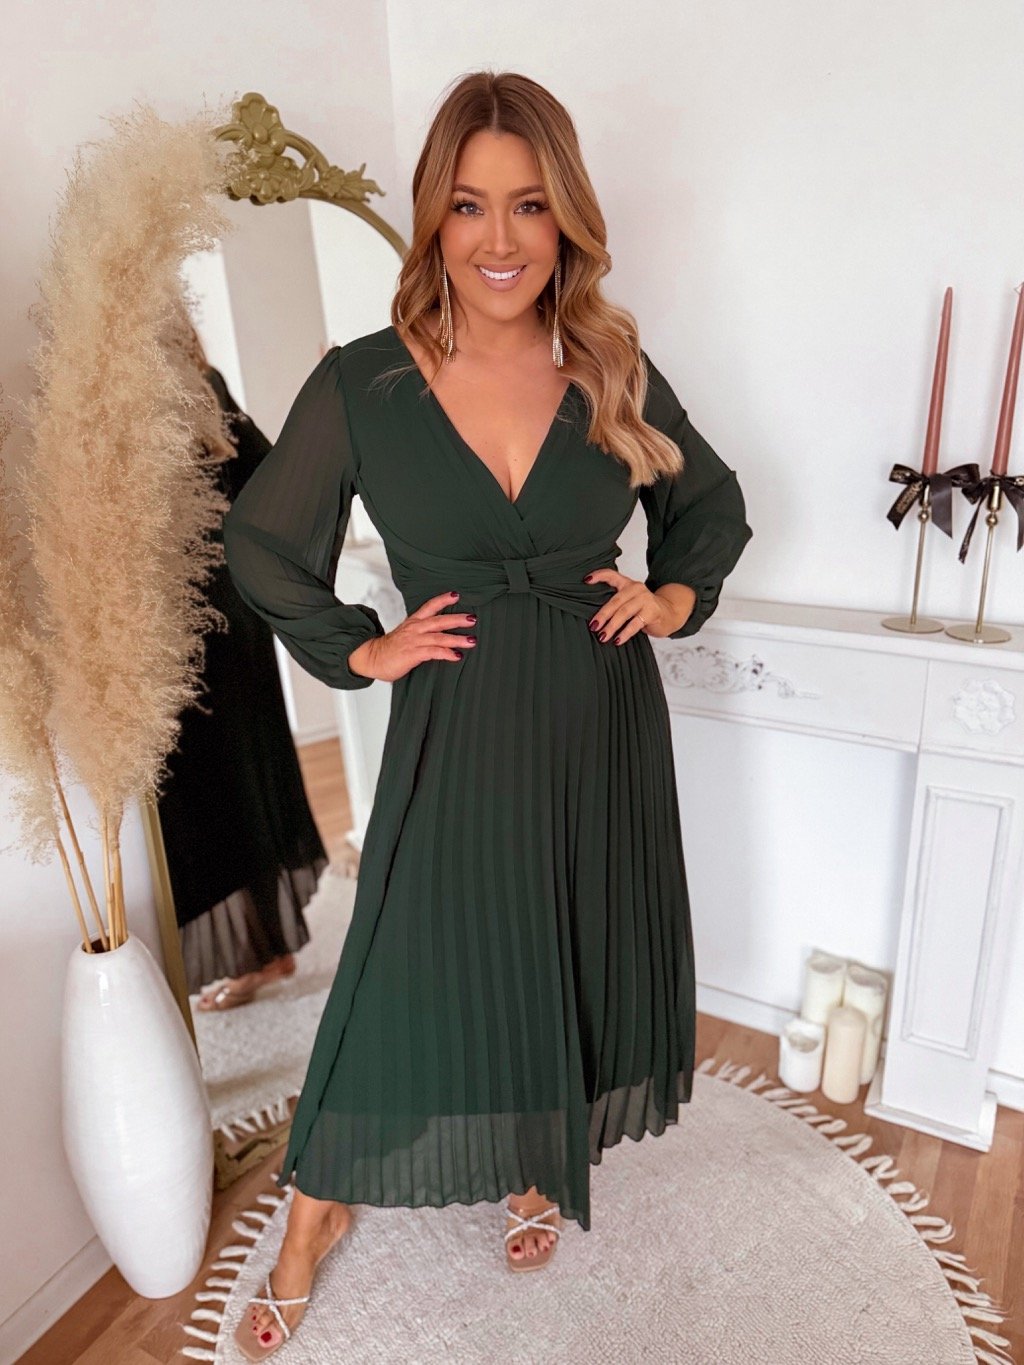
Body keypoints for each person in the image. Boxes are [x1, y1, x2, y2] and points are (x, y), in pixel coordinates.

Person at [223, 69, 752, 1359]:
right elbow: (263, 545)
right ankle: (313, 1214)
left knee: (561, 938)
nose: (501, 239)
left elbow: (710, 502)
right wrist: (363, 646)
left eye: (529, 205)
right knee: (403, 963)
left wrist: (671, 598)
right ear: (433, 220)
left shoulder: (608, 365)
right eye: (469, 206)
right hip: (455, 721)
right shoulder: (363, 384)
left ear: (566, 218)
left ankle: (532, 1154)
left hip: (595, 714)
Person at [156, 323, 327, 1010]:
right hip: (208, 617)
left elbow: (270, 480)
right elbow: (272, 478)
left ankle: (264, 951)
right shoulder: (200, 388)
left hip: (205, 623)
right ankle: (266, 949)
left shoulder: (196, 391)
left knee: (220, 788)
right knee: (233, 782)